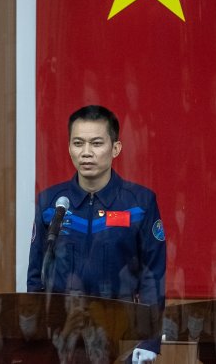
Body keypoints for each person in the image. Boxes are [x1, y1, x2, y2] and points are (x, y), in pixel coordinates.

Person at [26, 105, 166, 363]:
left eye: (96, 143)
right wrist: (36, 334)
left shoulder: (139, 203)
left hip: (119, 337)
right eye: (78, 143)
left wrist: (149, 341)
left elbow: (153, 277)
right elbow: (36, 276)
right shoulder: (52, 203)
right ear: (69, 147)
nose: (86, 152)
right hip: (61, 338)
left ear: (116, 148)